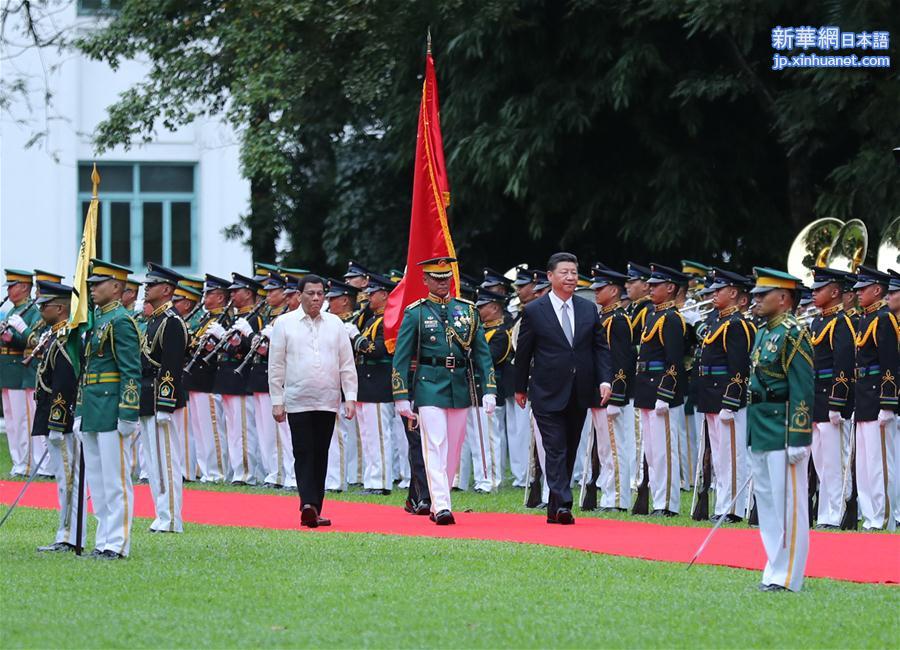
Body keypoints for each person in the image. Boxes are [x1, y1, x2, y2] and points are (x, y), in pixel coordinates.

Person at [392, 257, 497, 525]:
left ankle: (442, 498)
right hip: (429, 384)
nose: (441, 283)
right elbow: (401, 357)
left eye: (445, 278)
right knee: (435, 443)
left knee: (454, 448)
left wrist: (489, 388)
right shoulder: (416, 312)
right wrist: (401, 395)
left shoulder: (467, 311)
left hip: (459, 384)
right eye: (436, 279)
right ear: (425, 280)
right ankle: (441, 506)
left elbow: (483, 355)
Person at [514, 252, 612, 525]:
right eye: (564, 272)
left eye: (574, 272)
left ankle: (555, 507)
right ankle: (564, 502)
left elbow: (600, 348)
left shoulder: (587, 309)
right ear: (550, 276)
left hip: (579, 390)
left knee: (569, 448)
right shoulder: (534, 311)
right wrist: (519, 387)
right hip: (546, 391)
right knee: (554, 447)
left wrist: (605, 380)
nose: (570, 277)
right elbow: (523, 353)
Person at [269, 274, 358, 528]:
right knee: (303, 451)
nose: (316, 298)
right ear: (299, 295)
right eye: (311, 293)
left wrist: (350, 396)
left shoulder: (335, 324)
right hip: (297, 399)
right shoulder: (284, 323)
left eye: (320, 293)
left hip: (327, 399)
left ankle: (315, 507)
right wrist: (277, 399)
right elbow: (276, 365)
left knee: (321, 453)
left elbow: (346, 364)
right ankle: (307, 503)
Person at [746, 267, 814, 591]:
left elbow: (802, 387)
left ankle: (788, 576)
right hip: (760, 423)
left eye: (764, 294)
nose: (756, 299)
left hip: (782, 424)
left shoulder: (794, 333)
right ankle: (774, 567)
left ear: (784, 298)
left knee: (789, 505)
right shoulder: (763, 332)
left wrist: (799, 436)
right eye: (756, 294)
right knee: (768, 503)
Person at [75, 259, 142, 559]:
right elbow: (87, 369)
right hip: (93, 408)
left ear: (116, 287)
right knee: (99, 482)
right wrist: (80, 410)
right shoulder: (98, 321)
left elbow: (131, 371)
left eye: (97, 283)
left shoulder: (121, 321)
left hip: (112, 408)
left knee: (116, 481)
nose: (91, 288)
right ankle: (103, 539)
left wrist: (128, 412)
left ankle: (117, 542)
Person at [31, 281, 86, 552]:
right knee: (64, 480)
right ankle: (65, 533)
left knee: (69, 480)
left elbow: (64, 384)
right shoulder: (55, 335)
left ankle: (69, 536)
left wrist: (57, 422)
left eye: (45, 304)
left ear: (61, 308)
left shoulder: (66, 338)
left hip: (60, 419)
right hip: (52, 416)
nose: (40, 308)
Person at [696, 268, 755, 523]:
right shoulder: (718, 321)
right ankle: (722, 504)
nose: (713, 295)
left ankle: (732, 508)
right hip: (711, 393)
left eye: (718, 290)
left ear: (733, 293)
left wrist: (731, 401)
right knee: (720, 457)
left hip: (726, 396)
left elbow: (739, 366)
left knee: (732, 456)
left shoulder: (737, 324)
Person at [633, 263, 688, 516]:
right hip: (646, 386)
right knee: (652, 452)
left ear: (670, 288)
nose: (651, 288)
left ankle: (667, 503)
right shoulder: (653, 315)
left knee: (665, 451)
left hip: (661, 390)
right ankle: (656, 498)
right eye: (650, 284)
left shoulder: (672, 319)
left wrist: (665, 394)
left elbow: (674, 360)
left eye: (656, 285)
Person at [138, 263, 189, 533]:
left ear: (166, 289)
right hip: (148, 397)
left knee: (167, 459)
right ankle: (161, 513)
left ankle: (171, 518)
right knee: (153, 460)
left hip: (161, 399)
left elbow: (171, 366)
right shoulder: (154, 319)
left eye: (152, 284)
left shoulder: (171, 321)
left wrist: (166, 404)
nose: (146, 288)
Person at [584, 265, 635, 511]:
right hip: (598, 392)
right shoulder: (603, 317)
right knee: (604, 448)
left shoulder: (618, 320)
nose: (596, 292)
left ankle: (617, 499)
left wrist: (617, 395)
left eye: (601, 288)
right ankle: (608, 495)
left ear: (614, 290)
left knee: (614, 448)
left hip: (610, 394)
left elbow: (622, 360)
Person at [808, 267, 856, 529]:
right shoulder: (818, 322)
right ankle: (825, 513)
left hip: (831, 400)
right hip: (816, 398)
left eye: (819, 289)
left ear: (835, 292)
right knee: (821, 461)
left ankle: (835, 515)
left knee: (836, 462)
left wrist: (837, 403)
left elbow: (844, 366)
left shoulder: (841, 322)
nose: (814, 293)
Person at [852, 266, 898, 530]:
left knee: (880, 464)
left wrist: (888, 403)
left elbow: (890, 362)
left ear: (877, 290)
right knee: (866, 466)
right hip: (863, 397)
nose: (858, 293)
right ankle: (870, 516)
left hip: (877, 397)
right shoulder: (865, 319)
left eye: (863, 288)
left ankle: (882, 518)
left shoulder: (884, 318)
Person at [211, 273, 264, 485]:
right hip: (227, 379)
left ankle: (246, 473)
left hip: (241, 380)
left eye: (236, 290)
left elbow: (256, 348)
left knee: (243, 431)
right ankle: (237, 470)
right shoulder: (235, 318)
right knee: (232, 431)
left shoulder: (255, 318)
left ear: (248, 293)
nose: (231, 294)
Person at [250, 272, 295, 490]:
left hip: (289, 379)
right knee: (269, 432)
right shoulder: (273, 317)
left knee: (285, 431)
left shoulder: (289, 319)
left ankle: (288, 474)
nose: (268, 295)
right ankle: (276, 472)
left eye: (273, 291)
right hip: (269, 377)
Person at [185, 275, 231, 483]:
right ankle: (206, 469)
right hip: (196, 379)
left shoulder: (223, 319)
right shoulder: (205, 318)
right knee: (200, 429)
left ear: (220, 297)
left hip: (208, 379)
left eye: (210, 293)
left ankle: (217, 471)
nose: (205, 297)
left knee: (212, 428)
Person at [355, 273, 398, 495]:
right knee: (368, 436)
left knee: (380, 435)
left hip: (379, 384)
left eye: (372, 294)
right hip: (366, 382)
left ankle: (381, 481)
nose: (368, 298)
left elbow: (379, 350)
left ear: (384, 294)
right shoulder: (371, 319)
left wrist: (358, 339)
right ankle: (372, 479)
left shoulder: (388, 320)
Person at [1, 269, 41, 477]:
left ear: (25, 287)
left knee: (23, 419)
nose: (9, 290)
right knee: (10, 419)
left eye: (12, 285)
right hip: (7, 371)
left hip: (19, 370)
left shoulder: (32, 311)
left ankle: (26, 463)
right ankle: (17, 461)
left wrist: (11, 338)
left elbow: (32, 341)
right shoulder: (11, 311)